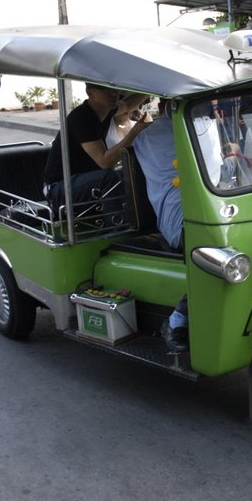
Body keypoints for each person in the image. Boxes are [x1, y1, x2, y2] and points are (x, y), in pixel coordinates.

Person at [42, 83, 151, 222]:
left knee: (133, 171)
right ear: (90, 92)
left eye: (115, 89)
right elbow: (104, 162)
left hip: (83, 181)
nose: (114, 94)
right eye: (107, 90)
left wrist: (155, 86)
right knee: (110, 177)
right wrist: (135, 132)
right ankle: (117, 228)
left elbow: (129, 104)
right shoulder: (81, 118)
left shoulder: (106, 110)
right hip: (59, 189)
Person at [131, 99, 188, 352]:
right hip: (180, 216)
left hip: (212, 207)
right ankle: (178, 319)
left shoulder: (198, 128)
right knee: (215, 258)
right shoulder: (157, 134)